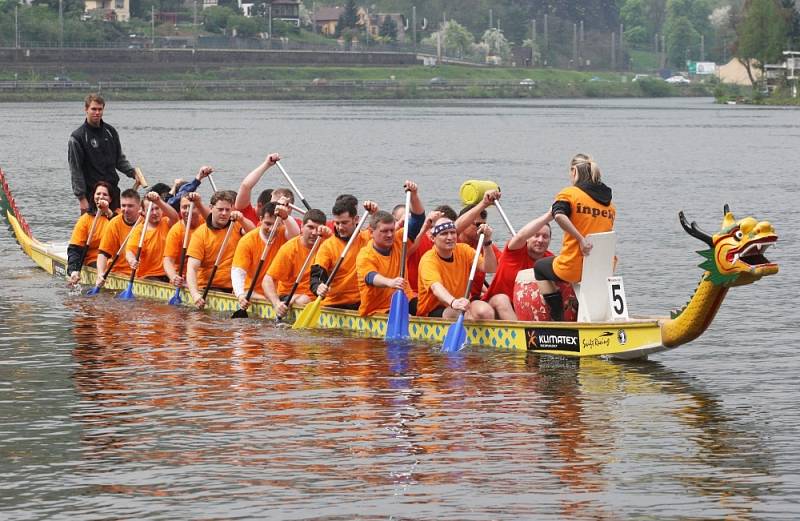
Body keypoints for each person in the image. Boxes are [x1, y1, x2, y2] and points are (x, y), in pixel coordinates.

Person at [535, 153, 615, 320]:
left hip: (574, 268)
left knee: (540, 267)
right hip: (603, 269)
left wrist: (580, 239)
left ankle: (558, 316)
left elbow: (558, 215)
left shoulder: (570, 194)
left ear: (574, 171)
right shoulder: (610, 206)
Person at [355, 189, 426, 317]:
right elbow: (371, 277)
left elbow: (418, 219)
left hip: (405, 297)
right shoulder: (365, 255)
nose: (389, 235)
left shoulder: (400, 240)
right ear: (371, 233)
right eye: (384, 231)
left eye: (392, 230)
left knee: (426, 310)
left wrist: (414, 195)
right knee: (406, 316)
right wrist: (390, 282)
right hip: (377, 308)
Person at [68, 93, 142, 213]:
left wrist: (133, 173)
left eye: (100, 109)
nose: (97, 112)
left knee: (114, 229)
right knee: (94, 231)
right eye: (93, 109)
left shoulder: (110, 132)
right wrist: (81, 198)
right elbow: (75, 170)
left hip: (112, 193)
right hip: (92, 195)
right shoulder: (77, 137)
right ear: (86, 109)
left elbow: (119, 160)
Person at [416, 217, 499, 320]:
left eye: (452, 232)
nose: (450, 237)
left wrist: (487, 242)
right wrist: (453, 302)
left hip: (460, 304)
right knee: (462, 313)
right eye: (444, 234)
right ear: (433, 238)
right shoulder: (428, 260)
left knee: (485, 311)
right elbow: (436, 288)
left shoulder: (464, 250)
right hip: (433, 311)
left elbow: (490, 268)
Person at [186, 190, 255, 309]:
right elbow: (192, 268)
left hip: (237, 287)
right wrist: (195, 294)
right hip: (210, 286)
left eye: (227, 210)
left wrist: (242, 219)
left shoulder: (237, 226)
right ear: (211, 208)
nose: (224, 213)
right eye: (220, 209)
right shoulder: (200, 234)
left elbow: (254, 234)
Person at [483, 212, 554, 320]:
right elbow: (520, 236)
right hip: (495, 307)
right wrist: (550, 215)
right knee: (502, 300)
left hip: (526, 310)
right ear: (528, 238)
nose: (540, 240)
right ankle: (521, 335)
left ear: (549, 240)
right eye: (536, 235)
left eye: (545, 237)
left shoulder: (551, 260)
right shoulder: (514, 251)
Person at [231, 198, 299, 311]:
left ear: (281, 223)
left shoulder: (284, 234)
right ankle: (274, 305)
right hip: (252, 291)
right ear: (261, 219)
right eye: (267, 224)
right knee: (252, 294)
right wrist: (240, 295)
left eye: (275, 224)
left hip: (277, 291)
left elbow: (296, 235)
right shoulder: (248, 240)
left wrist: (286, 216)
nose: (271, 229)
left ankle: (275, 304)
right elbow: (238, 272)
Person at [309, 195, 375, 310]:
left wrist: (375, 212)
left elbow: (383, 228)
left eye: (344, 223)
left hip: (362, 302)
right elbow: (316, 275)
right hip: (335, 304)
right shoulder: (328, 246)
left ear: (356, 220)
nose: (340, 227)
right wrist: (318, 287)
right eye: (337, 223)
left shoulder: (367, 237)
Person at [262, 209, 330, 318]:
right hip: (292, 296)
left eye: (318, 229)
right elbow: (267, 280)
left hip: (321, 295)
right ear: (302, 227)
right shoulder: (290, 248)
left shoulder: (328, 243)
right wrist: (276, 304)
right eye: (310, 227)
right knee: (304, 299)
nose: (314, 233)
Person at [454, 190, 504, 300]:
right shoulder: (450, 241)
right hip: (454, 299)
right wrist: (484, 203)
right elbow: (455, 227)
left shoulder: (485, 244)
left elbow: (503, 264)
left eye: (484, 224)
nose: (481, 228)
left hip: (475, 299)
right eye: (478, 224)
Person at [66, 181, 116, 286]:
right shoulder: (85, 220)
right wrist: (74, 270)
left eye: (105, 194)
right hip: (94, 260)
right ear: (93, 196)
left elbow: (120, 227)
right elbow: (75, 249)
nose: (101, 197)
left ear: (110, 199)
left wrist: (108, 212)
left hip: (117, 260)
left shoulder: (119, 216)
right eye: (98, 194)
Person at [125, 191, 180, 280]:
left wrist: (158, 201)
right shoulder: (139, 231)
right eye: (150, 210)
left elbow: (175, 217)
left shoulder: (167, 222)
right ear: (143, 212)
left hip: (170, 273)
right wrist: (132, 260)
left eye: (157, 208)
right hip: (149, 275)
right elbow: (129, 251)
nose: (154, 213)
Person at [95, 188, 142, 287]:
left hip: (142, 274)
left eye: (130, 206)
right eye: (123, 206)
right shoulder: (114, 223)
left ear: (139, 206)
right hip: (119, 272)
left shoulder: (146, 221)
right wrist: (100, 274)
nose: (126, 209)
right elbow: (103, 253)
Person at [406, 205, 457, 294]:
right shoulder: (415, 240)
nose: (450, 237)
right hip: (415, 294)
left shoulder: (455, 245)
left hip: (442, 294)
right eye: (444, 231)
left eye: (452, 231)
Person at [163, 192, 210, 288]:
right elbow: (168, 260)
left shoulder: (206, 222)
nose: (188, 211)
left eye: (193, 207)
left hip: (204, 276)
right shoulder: (176, 230)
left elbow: (213, 219)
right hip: (182, 277)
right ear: (180, 209)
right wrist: (173, 276)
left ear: (199, 209)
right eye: (184, 207)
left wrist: (199, 203)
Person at [234, 153, 282, 224]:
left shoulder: (280, 218)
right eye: (269, 209)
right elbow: (246, 186)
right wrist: (267, 164)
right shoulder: (244, 211)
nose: (273, 213)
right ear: (260, 205)